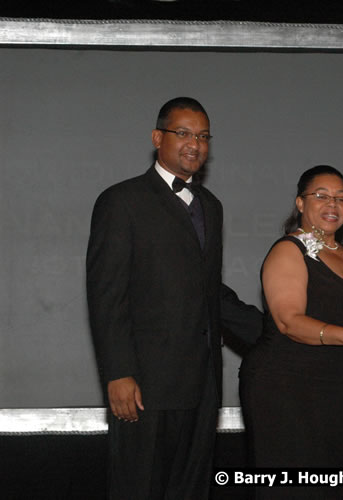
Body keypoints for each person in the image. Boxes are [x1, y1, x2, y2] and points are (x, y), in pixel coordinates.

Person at [87, 97, 227, 499]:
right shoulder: (122, 200)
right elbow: (106, 293)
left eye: (202, 136)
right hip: (144, 386)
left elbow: (208, 290)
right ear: (157, 138)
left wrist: (274, 328)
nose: (194, 144)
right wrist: (118, 372)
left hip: (201, 384)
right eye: (182, 133)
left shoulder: (211, 207)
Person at [240, 165, 343, 499]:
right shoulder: (288, 250)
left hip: (337, 389)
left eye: (340, 198)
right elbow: (288, 321)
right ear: (300, 203)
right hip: (287, 390)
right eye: (321, 196)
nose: (332, 204)